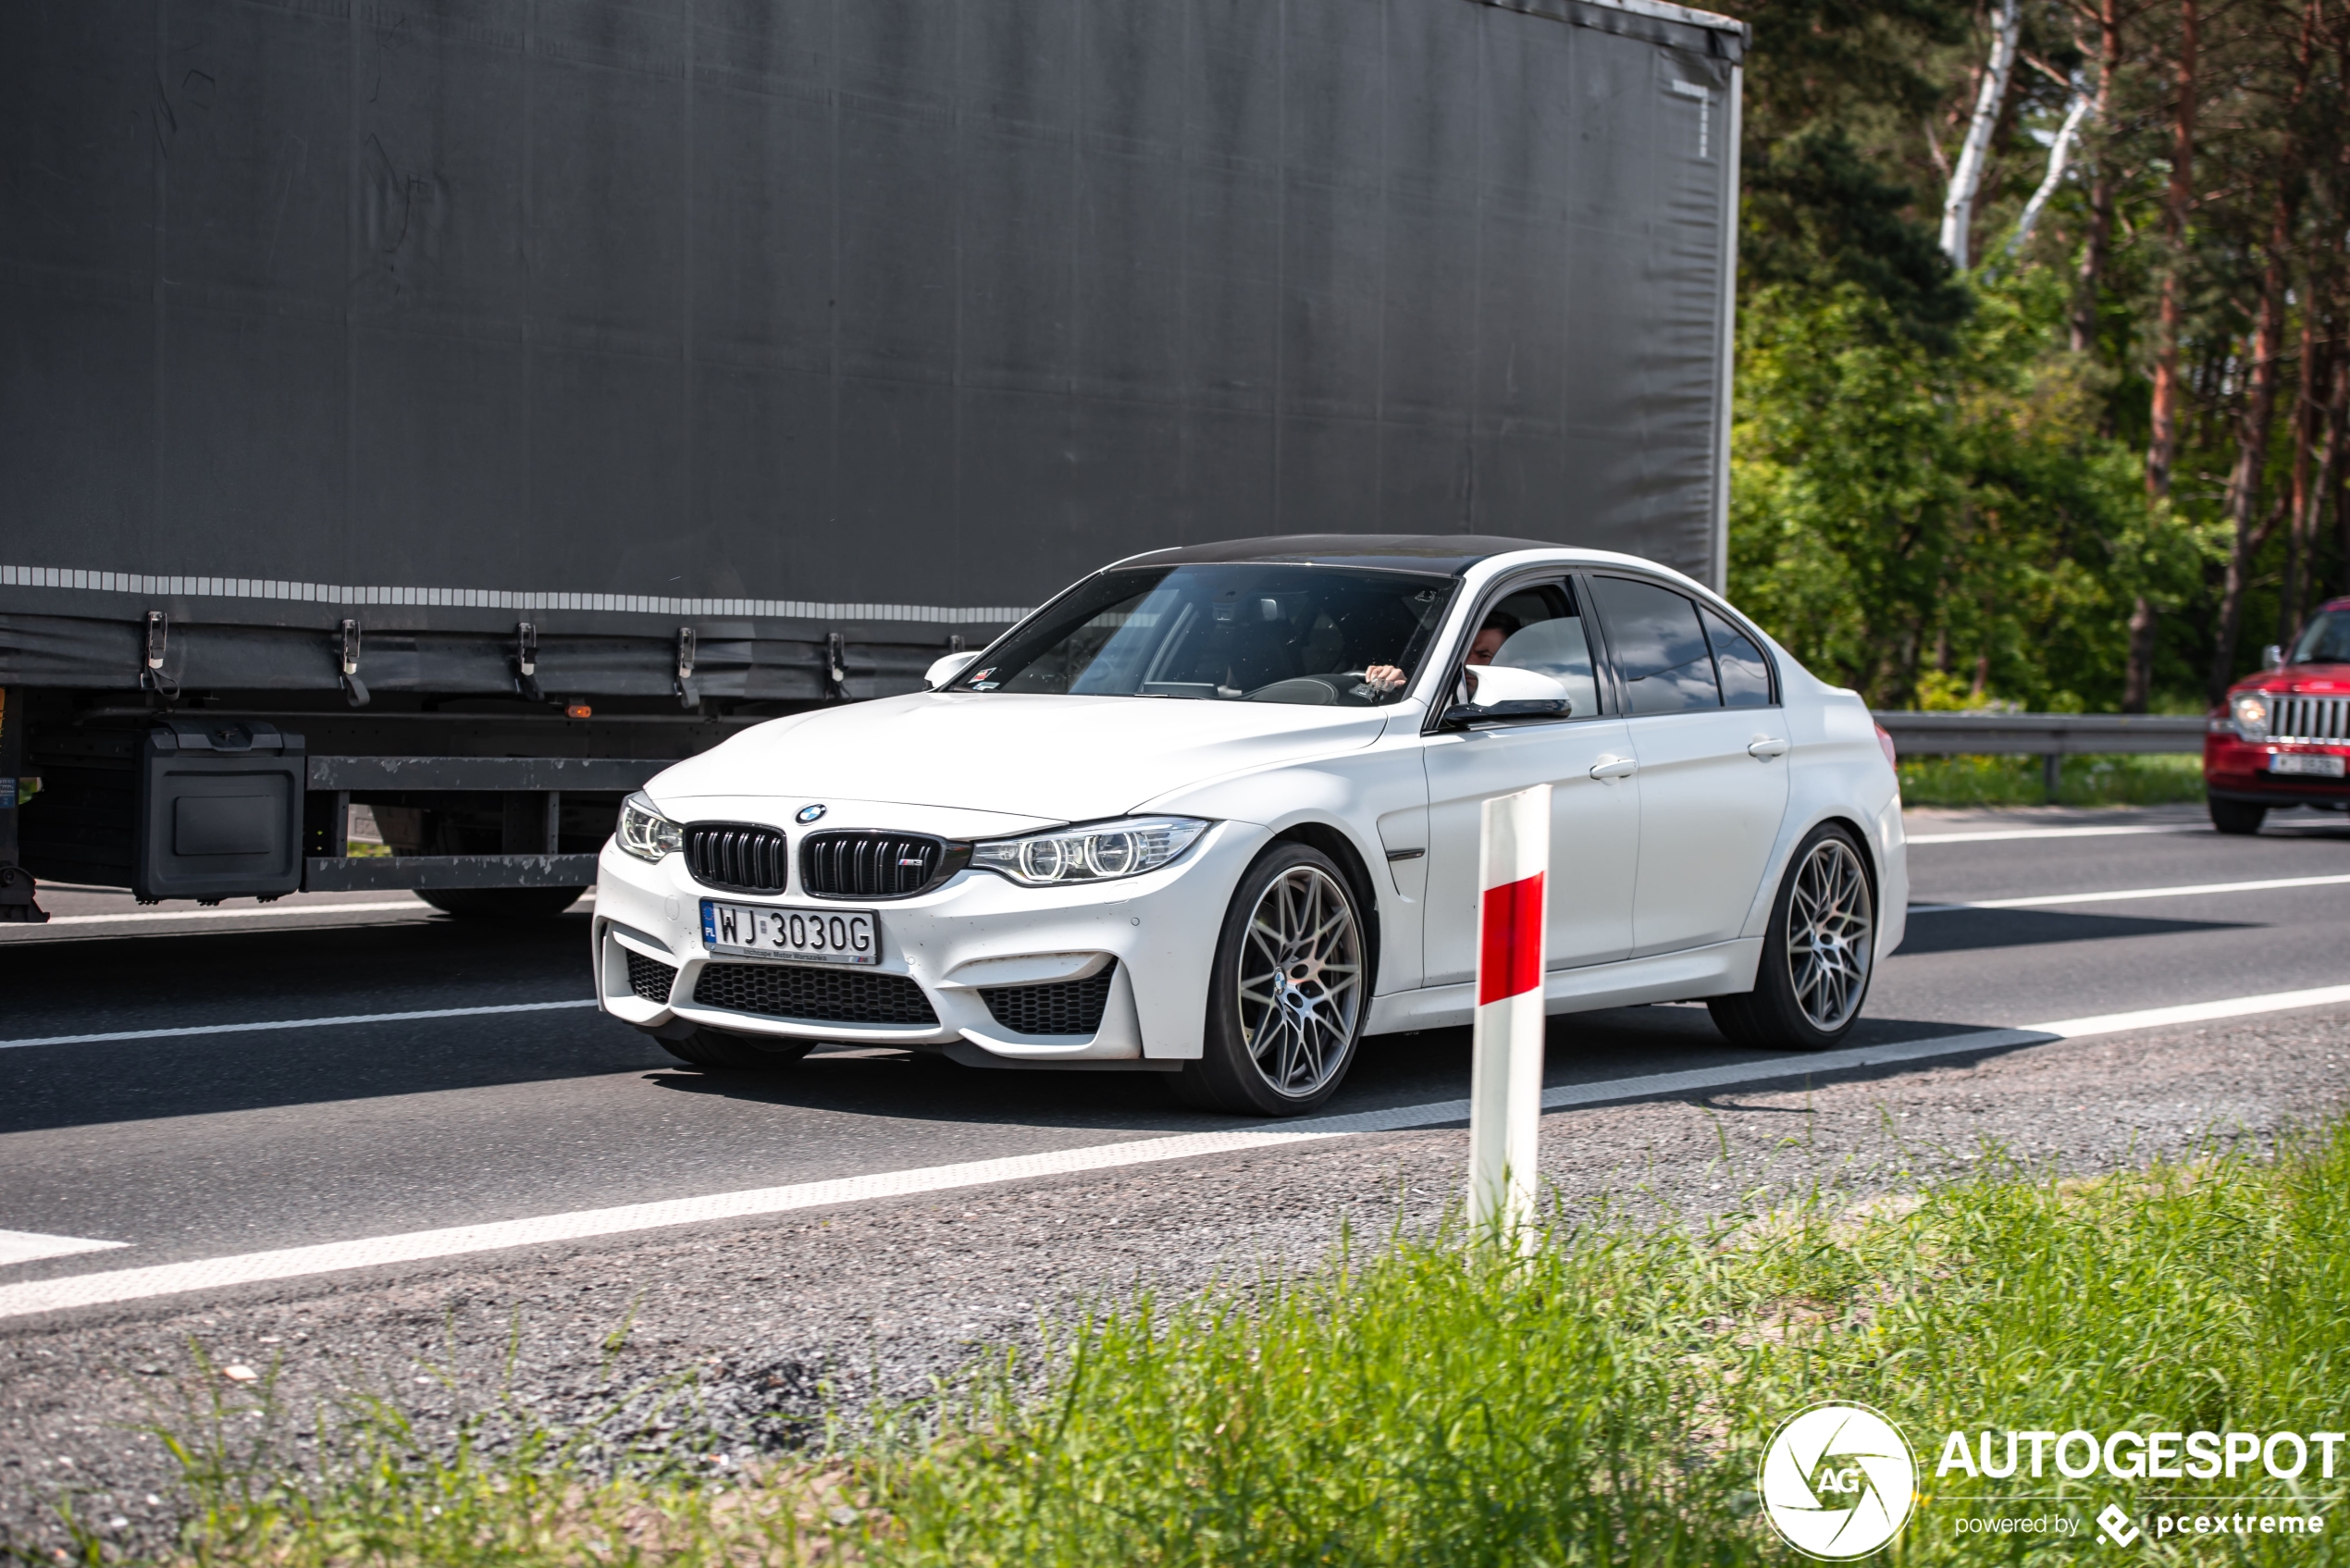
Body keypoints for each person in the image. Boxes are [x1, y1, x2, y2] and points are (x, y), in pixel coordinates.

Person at [1363, 611, 1517, 696]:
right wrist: (1393, 686)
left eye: (1483, 656)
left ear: (1514, 665)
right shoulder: (1444, 696)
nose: (1467, 663)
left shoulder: (1526, 711)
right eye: (1463, 653)